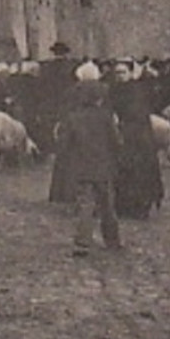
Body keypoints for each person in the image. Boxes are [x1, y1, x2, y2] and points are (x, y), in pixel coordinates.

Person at [57, 62, 123, 257]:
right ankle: (112, 240)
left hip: (82, 166)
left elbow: (64, 144)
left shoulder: (73, 117)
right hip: (103, 165)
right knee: (107, 204)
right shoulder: (106, 117)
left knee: (85, 204)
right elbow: (116, 141)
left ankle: (82, 242)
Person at [108, 60, 163, 218]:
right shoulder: (113, 90)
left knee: (141, 172)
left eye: (123, 72)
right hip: (122, 136)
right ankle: (123, 205)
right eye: (117, 73)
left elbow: (139, 111)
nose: (120, 76)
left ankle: (141, 206)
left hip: (139, 137)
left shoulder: (137, 90)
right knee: (123, 171)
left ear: (130, 73)